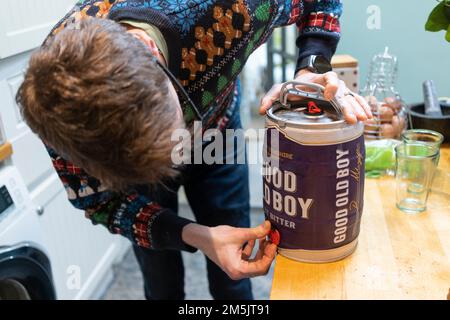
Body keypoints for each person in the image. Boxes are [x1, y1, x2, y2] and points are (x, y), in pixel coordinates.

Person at [16, 0, 371, 300]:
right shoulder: (52, 104)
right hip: (137, 172)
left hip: (218, 132)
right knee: (161, 282)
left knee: (234, 279)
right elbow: (100, 203)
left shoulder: (231, 9)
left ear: (166, 71)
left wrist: (311, 69)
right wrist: (197, 236)